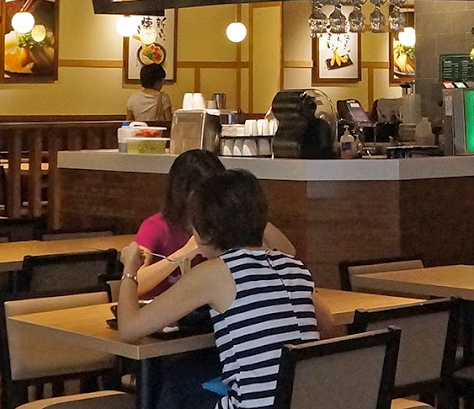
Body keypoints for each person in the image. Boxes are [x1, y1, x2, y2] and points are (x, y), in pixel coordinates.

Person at [117, 170, 332, 409]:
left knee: (176, 384)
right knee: (185, 375)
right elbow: (327, 324)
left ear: (205, 232)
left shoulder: (216, 272)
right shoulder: (295, 266)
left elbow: (128, 329)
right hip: (302, 401)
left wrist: (129, 270)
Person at [132, 149, 296, 298]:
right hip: (163, 315)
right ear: (182, 192)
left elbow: (288, 253)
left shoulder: (222, 222)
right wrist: (183, 254)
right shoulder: (156, 227)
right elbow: (135, 283)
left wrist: (246, 213)